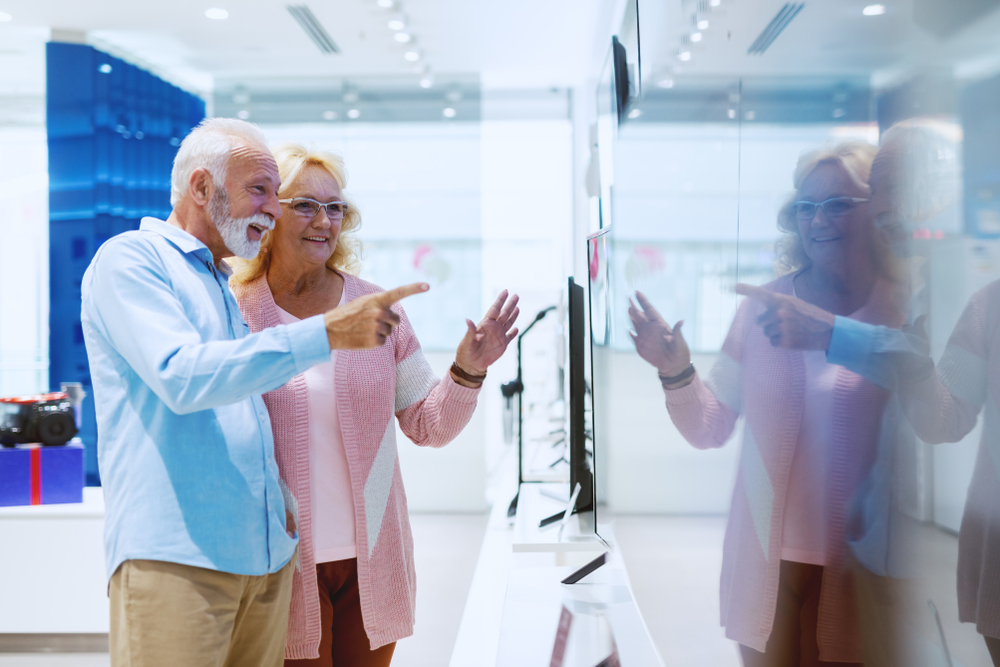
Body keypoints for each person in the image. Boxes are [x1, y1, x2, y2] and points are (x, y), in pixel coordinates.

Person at [81, 118, 427, 667]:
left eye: (330, 206)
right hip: (177, 559)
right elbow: (183, 376)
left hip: (260, 562)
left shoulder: (218, 283)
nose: (272, 208)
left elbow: (247, 406)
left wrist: (277, 496)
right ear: (201, 188)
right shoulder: (133, 260)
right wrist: (326, 333)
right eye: (262, 191)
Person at [229, 143, 519, 666]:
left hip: (371, 563)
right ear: (270, 213)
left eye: (335, 207)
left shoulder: (378, 309)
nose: (325, 221)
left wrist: (468, 370)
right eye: (306, 205)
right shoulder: (238, 312)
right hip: (279, 561)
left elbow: (428, 424)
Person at [629, 141, 899, 665]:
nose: (818, 220)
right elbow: (710, 425)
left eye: (839, 203)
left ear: (876, 209)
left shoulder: (898, 307)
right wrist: (675, 370)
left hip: (863, 567)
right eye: (806, 206)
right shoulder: (761, 310)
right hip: (767, 566)